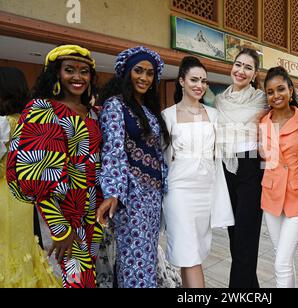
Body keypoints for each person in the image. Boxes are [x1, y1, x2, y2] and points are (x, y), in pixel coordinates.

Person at [6, 45, 103, 288]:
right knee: (74, 280)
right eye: (69, 70)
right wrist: (60, 229)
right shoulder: (43, 109)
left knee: (88, 275)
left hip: (92, 211)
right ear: (56, 74)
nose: (78, 77)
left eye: (84, 72)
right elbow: (36, 174)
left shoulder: (94, 114)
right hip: (63, 213)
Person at [96, 46, 171, 288]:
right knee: (133, 261)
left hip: (152, 197)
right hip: (132, 195)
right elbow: (113, 151)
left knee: (146, 257)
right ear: (127, 72)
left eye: (150, 73)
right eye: (138, 71)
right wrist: (113, 193)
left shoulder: (149, 110)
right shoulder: (115, 106)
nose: (144, 78)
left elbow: (158, 153)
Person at [162, 56, 234, 288]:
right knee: (190, 253)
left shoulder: (213, 115)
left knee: (191, 253)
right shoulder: (168, 116)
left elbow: (220, 154)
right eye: (194, 79)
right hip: (179, 191)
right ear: (181, 81)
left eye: (203, 81)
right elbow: (164, 159)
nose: (199, 85)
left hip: (206, 191)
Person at [0, 67, 60, 288]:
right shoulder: (30, 122)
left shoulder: (3, 123)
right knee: (23, 247)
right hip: (22, 197)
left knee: (7, 248)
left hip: (4, 196)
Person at [215, 48, 268, 288]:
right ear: (231, 66)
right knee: (235, 237)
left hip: (250, 167)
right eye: (238, 64)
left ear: (255, 73)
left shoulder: (261, 99)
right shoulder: (219, 101)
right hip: (225, 167)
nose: (241, 70)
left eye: (248, 67)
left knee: (246, 237)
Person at [259, 66, 298, 288]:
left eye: (280, 89)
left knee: (281, 262)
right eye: (270, 92)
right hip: (271, 196)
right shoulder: (264, 122)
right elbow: (266, 160)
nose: (276, 95)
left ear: (291, 90)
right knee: (282, 257)